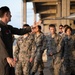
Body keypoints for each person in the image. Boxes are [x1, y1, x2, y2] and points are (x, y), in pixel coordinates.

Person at [0, 6, 31, 75]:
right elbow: (0, 44)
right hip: (3, 59)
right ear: (6, 14)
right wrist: (7, 57)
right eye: (10, 14)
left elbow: (20, 31)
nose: (11, 16)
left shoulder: (8, 27)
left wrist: (31, 28)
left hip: (10, 59)